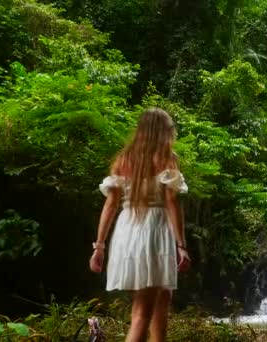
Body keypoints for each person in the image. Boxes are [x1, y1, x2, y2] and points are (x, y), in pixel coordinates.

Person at [89, 108, 191, 342]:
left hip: (128, 231)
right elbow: (172, 203)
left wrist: (100, 246)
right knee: (141, 312)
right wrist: (181, 245)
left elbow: (110, 206)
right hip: (154, 231)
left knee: (162, 300)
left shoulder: (123, 159)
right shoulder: (167, 158)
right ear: (163, 131)